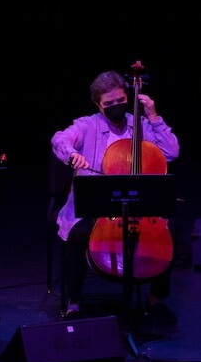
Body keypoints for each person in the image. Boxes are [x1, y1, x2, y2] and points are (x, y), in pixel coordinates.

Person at [51, 69, 180, 323]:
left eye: (120, 101)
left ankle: (156, 299)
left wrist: (153, 116)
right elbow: (59, 139)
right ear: (98, 105)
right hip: (97, 208)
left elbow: (172, 152)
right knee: (77, 236)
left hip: (138, 207)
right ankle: (74, 301)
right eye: (108, 104)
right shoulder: (87, 125)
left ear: (128, 96)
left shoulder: (140, 125)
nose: (116, 107)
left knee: (169, 233)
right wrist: (70, 153)